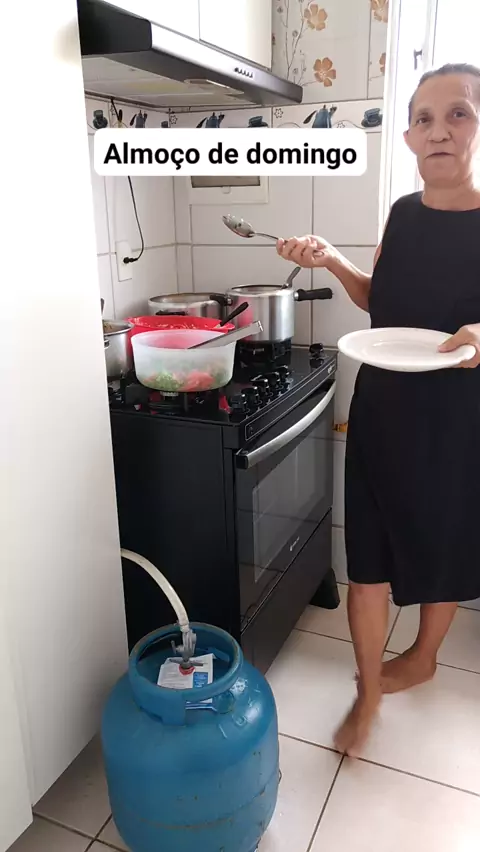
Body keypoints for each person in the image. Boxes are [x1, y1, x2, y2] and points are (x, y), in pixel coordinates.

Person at [276, 63, 480, 757]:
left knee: (441, 546)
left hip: (456, 423)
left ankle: (422, 658)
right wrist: (333, 260)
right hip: (382, 410)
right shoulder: (401, 213)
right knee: (366, 557)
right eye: (424, 119)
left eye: (458, 114)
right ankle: (367, 692)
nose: (439, 131)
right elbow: (380, 303)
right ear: (408, 137)